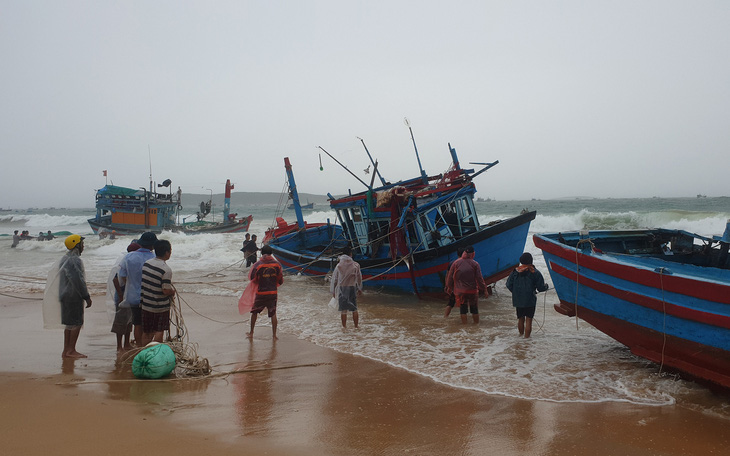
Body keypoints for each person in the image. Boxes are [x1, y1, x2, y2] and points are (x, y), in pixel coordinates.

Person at [55, 235, 93, 358]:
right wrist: (86, 296)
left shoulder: (65, 258)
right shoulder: (74, 260)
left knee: (69, 323)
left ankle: (66, 350)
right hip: (73, 295)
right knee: (76, 323)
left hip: (65, 294)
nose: (83, 246)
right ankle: (71, 350)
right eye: (81, 244)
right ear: (76, 245)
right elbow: (78, 280)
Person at [118, 231, 157, 345]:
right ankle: (147, 346)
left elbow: (122, 276)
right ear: (152, 245)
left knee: (137, 324)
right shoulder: (154, 258)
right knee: (149, 325)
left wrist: (131, 285)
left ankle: (139, 346)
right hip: (150, 297)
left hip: (133, 297)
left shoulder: (129, 257)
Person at [505, 252, 549, 339]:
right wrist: (546, 286)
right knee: (529, 320)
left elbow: (508, 285)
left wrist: (516, 292)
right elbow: (541, 288)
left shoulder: (515, 272)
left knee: (520, 319)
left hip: (518, 300)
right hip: (530, 300)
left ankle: (520, 337)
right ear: (531, 261)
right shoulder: (535, 272)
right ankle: (526, 339)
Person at [140, 239, 175, 345]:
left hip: (146, 304)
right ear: (167, 252)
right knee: (159, 331)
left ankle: (144, 353)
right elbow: (165, 290)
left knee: (147, 332)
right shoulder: (166, 270)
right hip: (159, 307)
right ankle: (155, 354)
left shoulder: (147, 264)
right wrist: (172, 291)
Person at [109, 242, 141, 352]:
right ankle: (119, 346)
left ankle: (126, 343)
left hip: (129, 295)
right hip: (123, 295)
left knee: (129, 321)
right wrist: (121, 295)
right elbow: (115, 279)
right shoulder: (126, 262)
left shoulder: (129, 261)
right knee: (120, 321)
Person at [247, 245, 283, 339]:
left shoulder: (258, 265)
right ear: (271, 253)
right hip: (272, 293)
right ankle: (274, 335)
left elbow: (252, 278)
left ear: (262, 253)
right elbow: (280, 281)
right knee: (273, 313)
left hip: (261, 293)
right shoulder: (277, 265)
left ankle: (251, 333)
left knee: (254, 312)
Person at [445, 245, 487, 324]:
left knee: (463, 310)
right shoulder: (475, 264)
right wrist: (484, 289)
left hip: (460, 291)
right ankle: (476, 327)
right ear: (473, 254)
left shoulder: (456, 263)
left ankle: (465, 328)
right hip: (472, 291)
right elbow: (479, 278)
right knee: (474, 309)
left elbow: (450, 276)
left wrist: (448, 286)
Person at [330, 245, 363, 328]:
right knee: (354, 309)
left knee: (343, 310)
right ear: (350, 254)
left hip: (342, 288)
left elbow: (335, 279)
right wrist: (359, 288)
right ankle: (356, 327)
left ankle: (344, 328)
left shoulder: (339, 266)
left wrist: (333, 291)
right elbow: (359, 278)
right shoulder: (356, 265)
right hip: (352, 287)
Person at [444, 247, 465, 317]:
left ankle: (445, 317)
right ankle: (464, 322)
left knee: (450, 303)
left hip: (453, 288)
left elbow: (447, 276)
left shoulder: (451, 263)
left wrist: (447, 286)